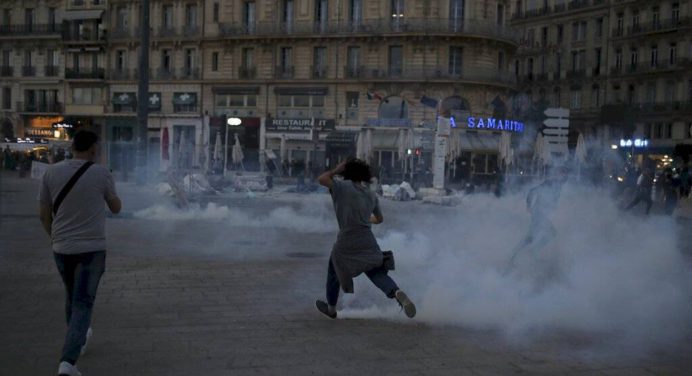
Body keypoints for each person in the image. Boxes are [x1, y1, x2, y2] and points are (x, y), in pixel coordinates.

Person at [38, 130, 122, 376]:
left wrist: (55, 238)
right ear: (94, 149)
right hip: (92, 249)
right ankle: (68, 362)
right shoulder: (101, 172)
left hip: (61, 248)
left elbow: (43, 214)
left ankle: (79, 338)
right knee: (83, 302)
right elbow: (116, 208)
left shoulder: (51, 172)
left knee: (72, 295)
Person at [315, 158, 416, 319]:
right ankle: (395, 291)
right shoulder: (371, 195)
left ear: (346, 173)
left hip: (346, 240)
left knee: (334, 270)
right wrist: (364, 219)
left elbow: (322, 179)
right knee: (375, 271)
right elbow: (379, 219)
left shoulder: (341, 187)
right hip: (367, 240)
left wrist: (335, 170)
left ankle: (331, 309)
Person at [505, 166, 569, 273]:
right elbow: (532, 191)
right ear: (559, 174)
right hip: (539, 213)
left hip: (541, 214)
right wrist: (529, 205)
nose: (564, 176)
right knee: (551, 233)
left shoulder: (558, 185)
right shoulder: (550, 182)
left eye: (565, 174)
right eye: (563, 174)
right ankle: (528, 252)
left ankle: (516, 254)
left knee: (531, 237)